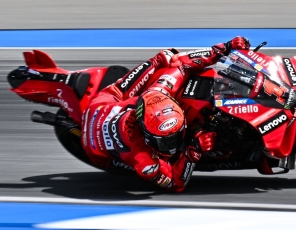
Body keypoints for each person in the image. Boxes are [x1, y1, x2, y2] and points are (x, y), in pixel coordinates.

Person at [81, 36, 251, 192]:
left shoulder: (158, 93)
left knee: (166, 56)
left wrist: (225, 47)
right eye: (166, 140)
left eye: (175, 136)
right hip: (96, 141)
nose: (174, 143)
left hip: (106, 106)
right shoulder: (142, 159)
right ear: (147, 137)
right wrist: (192, 151)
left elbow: (182, 63)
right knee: (126, 168)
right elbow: (175, 183)